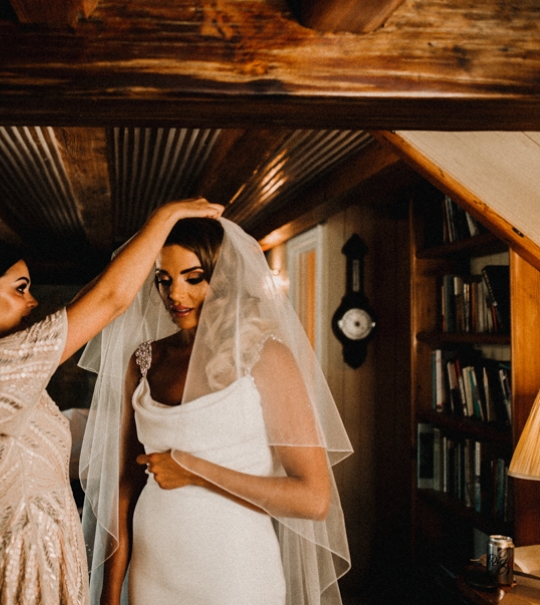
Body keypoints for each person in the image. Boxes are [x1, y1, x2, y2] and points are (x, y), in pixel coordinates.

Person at [0, 198, 223, 605]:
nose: (32, 302)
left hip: (12, 543)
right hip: (21, 555)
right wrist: (165, 216)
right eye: (21, 289)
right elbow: (109, 300)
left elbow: (83, 305)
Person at [80, 218, 353, 605]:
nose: (175, 293)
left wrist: (195, 471)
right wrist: (109, 595)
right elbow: (124, 485)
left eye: (193, 278)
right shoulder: (143, 360)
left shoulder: (266, 357)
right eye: (164, 278)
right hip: (153, 566)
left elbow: (312, 499)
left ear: (224, 278)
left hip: (234, 568)